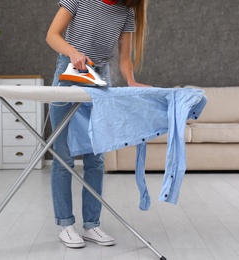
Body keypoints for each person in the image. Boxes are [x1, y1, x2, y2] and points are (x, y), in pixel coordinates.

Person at [46, 0, 149, 248]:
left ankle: (92, 225)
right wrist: (72, 52)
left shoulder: (126, 12)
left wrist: (132, 81)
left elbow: (124, 58)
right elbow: (52, 35)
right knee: (63, 155)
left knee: (96, 157)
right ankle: (66, 225)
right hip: (68, 72)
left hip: (100, 76)